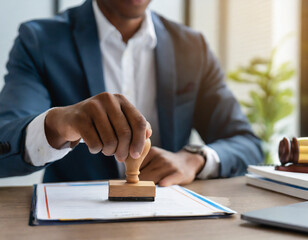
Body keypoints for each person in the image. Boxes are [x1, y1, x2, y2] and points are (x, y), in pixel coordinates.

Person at [0, 0, 263, 186]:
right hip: (73, 224)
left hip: (171, 217)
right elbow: (5, 140)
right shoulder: (39, 41)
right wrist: (57, 124)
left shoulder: (192, 46)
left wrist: (194, 159)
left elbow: (246, 144)